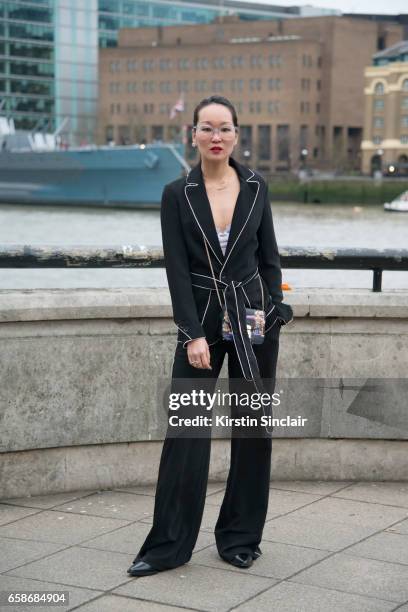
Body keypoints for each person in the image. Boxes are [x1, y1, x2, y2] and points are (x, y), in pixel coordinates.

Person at [127, 95, 293, 577]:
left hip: (251, 320)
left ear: (237, 135)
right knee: (187, 432)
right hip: (200, 320)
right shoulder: (176, 194)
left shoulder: (258, 187)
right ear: (193, 135)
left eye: (224, 128)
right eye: (206, 128)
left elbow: (270, 255)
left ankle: (240, 539)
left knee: (252, 431)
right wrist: (192, 334)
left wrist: (273, 310)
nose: (215, 136)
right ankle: (167, 546)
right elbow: (177, 272)